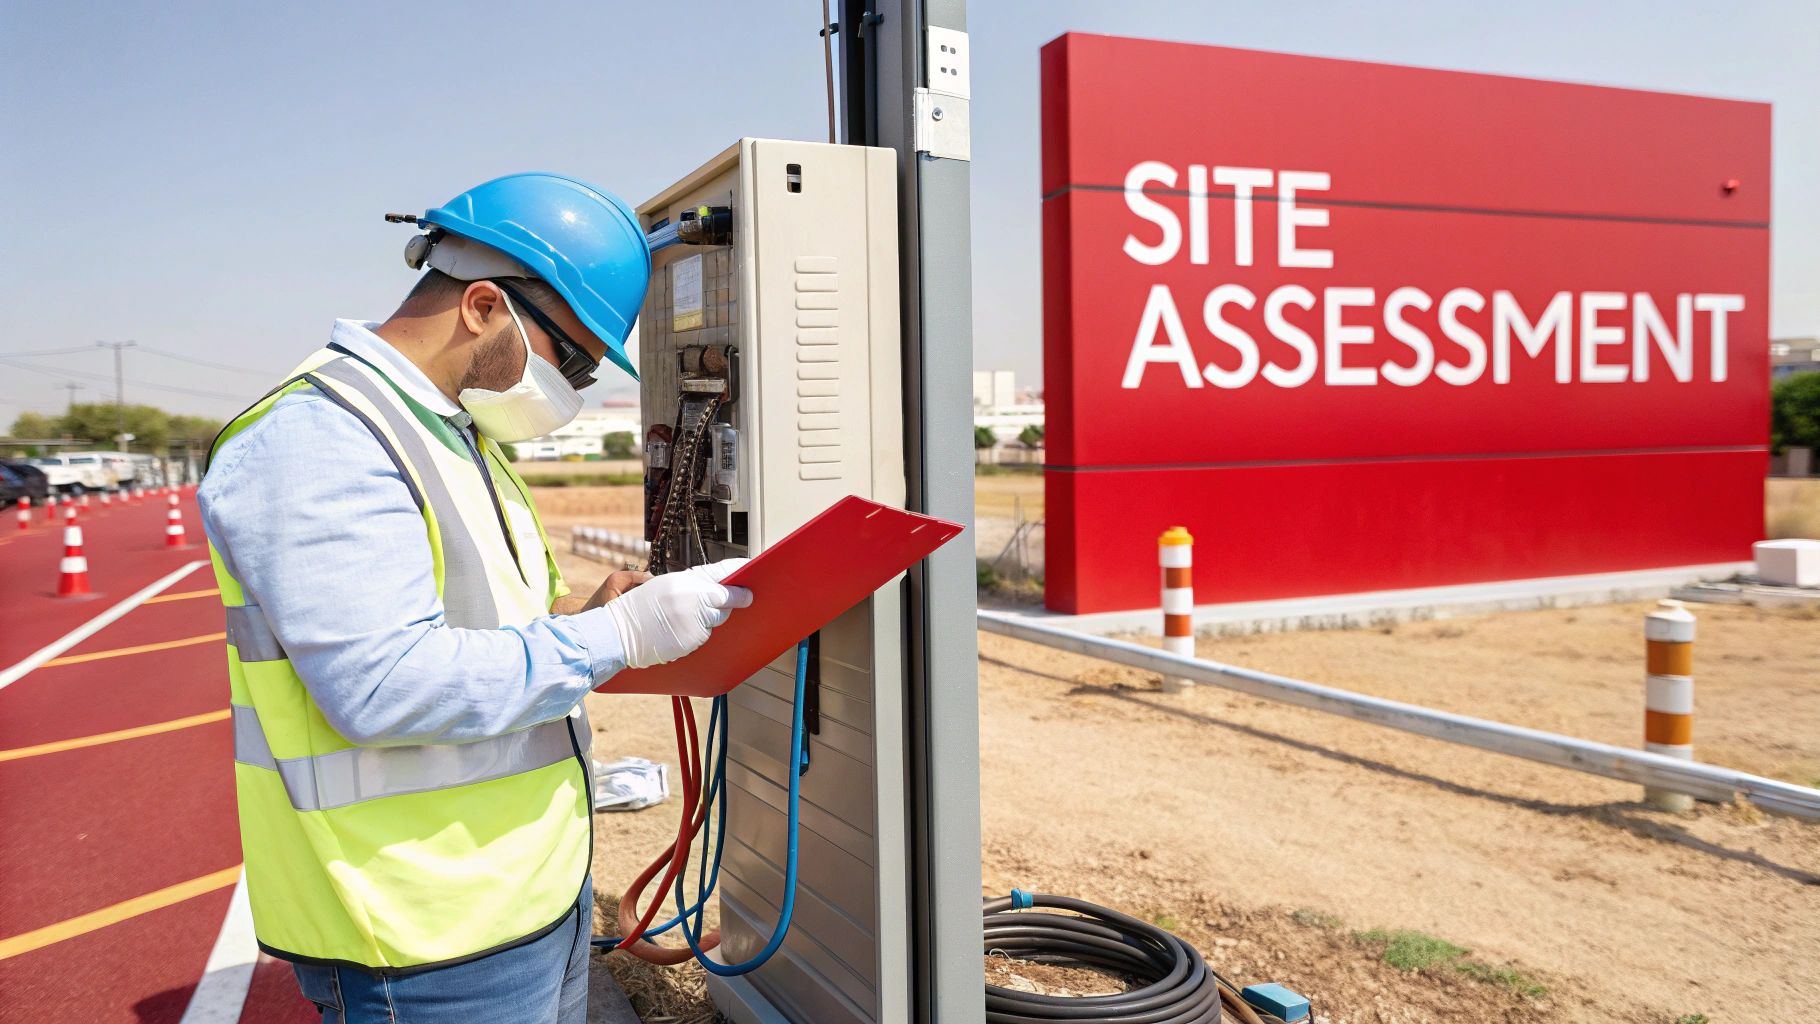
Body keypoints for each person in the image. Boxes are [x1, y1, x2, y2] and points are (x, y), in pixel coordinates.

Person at [197, 173, 747, 1023]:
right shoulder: (324, 439)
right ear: (484, 306)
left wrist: (583, 618)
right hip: (418, 934)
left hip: (525, 897)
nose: (576, 384)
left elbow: (473, 629)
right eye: (571, 358)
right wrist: (615, 638)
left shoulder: (450, 431)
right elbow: (384, 685)